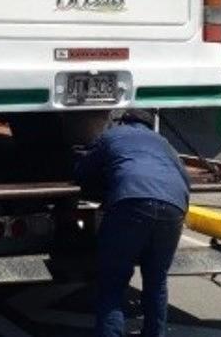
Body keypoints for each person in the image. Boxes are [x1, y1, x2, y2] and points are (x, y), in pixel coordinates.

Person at [72, 110, 190, 337]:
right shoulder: (166, 144)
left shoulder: (113, 136)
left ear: (122, 121)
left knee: (112, 284)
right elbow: (184, 178)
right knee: (156, 282)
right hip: (174, 208)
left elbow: (83, 171)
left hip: (131, 203)